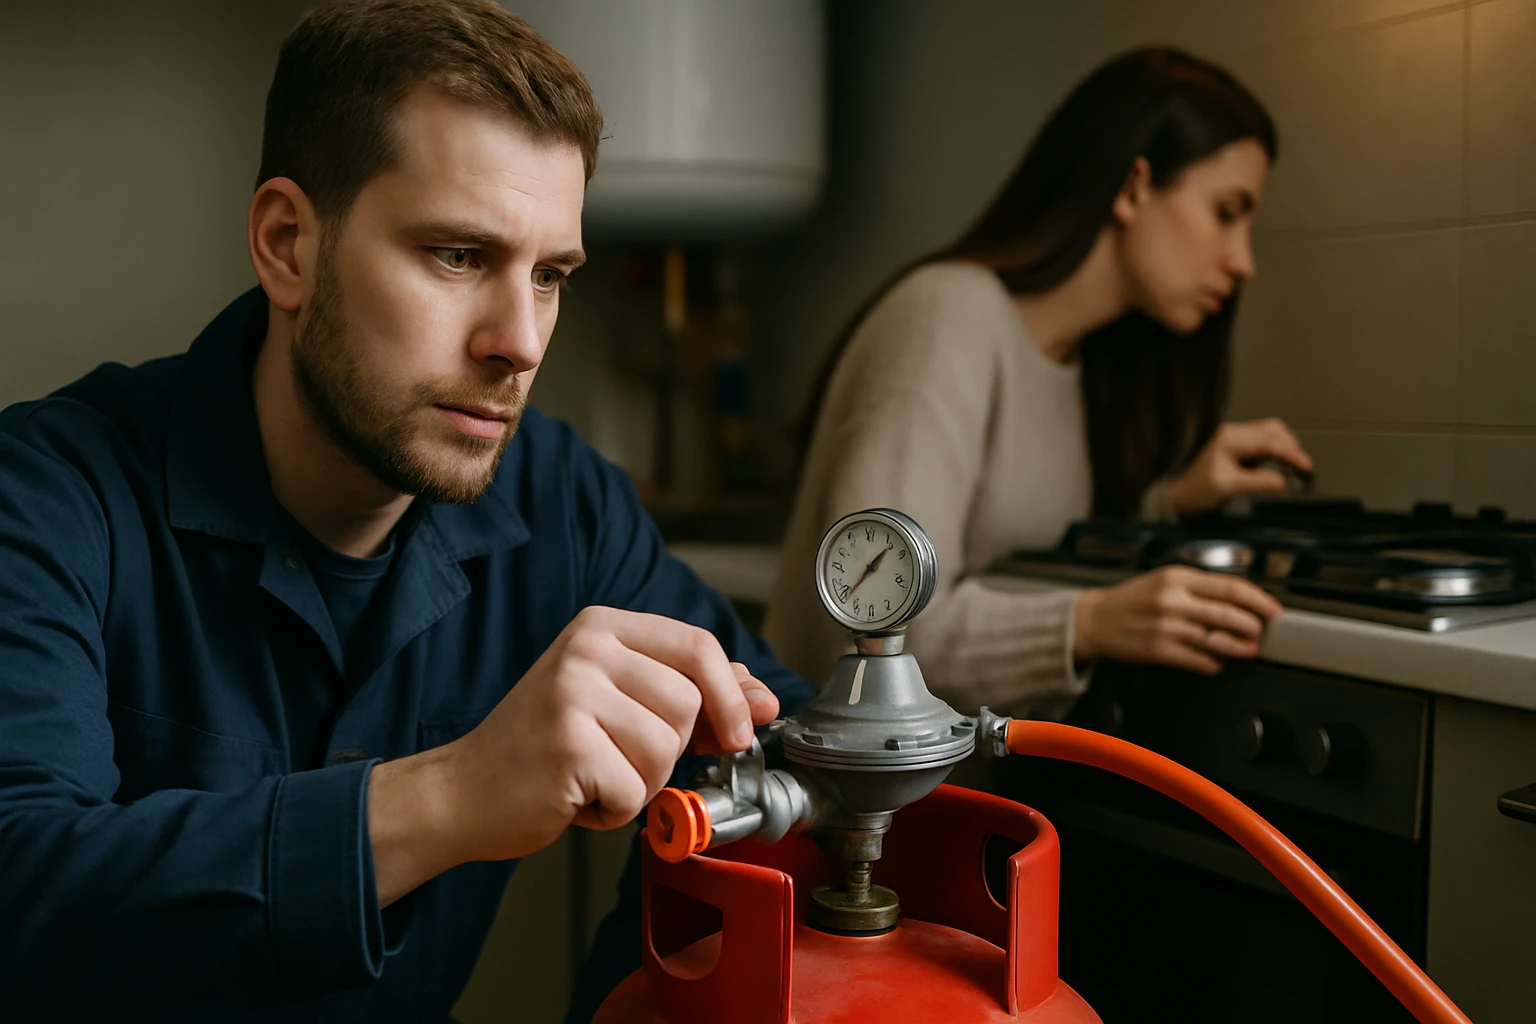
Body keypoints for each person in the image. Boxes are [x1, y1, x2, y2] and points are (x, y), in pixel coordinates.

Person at [0, 1, 813, 1020]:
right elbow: (18, 888)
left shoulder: (565, 501)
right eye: (459, 257)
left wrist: (637, 994)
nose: (519, 341)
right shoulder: (43, 491)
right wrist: (456, 794)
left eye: (551, 274)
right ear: (287, 243)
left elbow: (783, 760)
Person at [764, 47, 1307, 716]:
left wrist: (1170, 503)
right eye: (1228, 211)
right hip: (834, 806)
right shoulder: (948, 317)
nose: (1243, 260)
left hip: (957, 801)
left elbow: (1014, 544)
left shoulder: (1084, 365)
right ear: (1134, 187)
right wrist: (1091, 624)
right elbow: (878, 634)